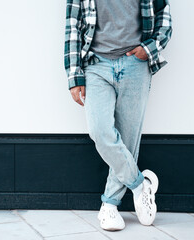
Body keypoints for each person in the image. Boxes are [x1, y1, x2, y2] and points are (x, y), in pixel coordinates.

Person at [63, 0, 172, 231]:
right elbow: (72, 26)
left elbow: (164, 16)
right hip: (96, 64)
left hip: (135, 63)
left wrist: (149, 49)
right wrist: (74, 76)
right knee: (100, 131)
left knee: (128, 138)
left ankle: (109, 205)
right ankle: (141, 185)